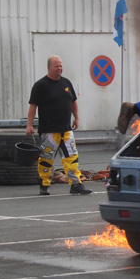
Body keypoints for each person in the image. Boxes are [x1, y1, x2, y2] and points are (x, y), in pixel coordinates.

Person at [26, 56, 92, 196]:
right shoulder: (40, 85)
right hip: (49, 131)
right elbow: (33, 106)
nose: (60, 68)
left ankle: (76, 184)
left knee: (72, 158)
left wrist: (77, 118)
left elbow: (73, 101)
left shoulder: (66, 83)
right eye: (57, 66)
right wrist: (29, 125)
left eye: (61, 66)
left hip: (66, 130)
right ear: (49, 67)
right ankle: (44, 184)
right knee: (46, 159)